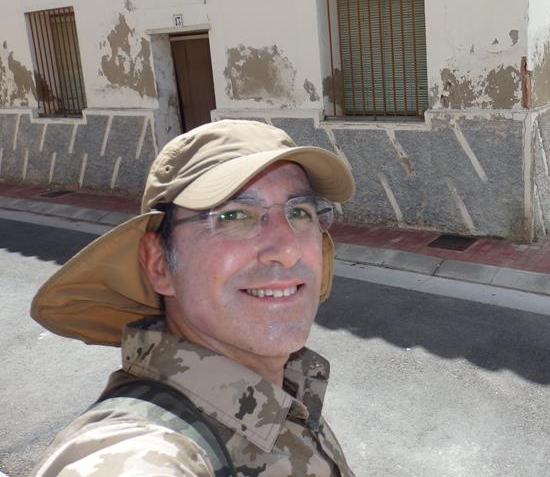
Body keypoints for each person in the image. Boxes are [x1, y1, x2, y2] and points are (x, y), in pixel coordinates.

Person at [30, 119, 356, 476]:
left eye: (299, 212)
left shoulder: (287, 389)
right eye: (234, 215)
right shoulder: (143, 451)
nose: (288, 250)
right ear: (159, 264)